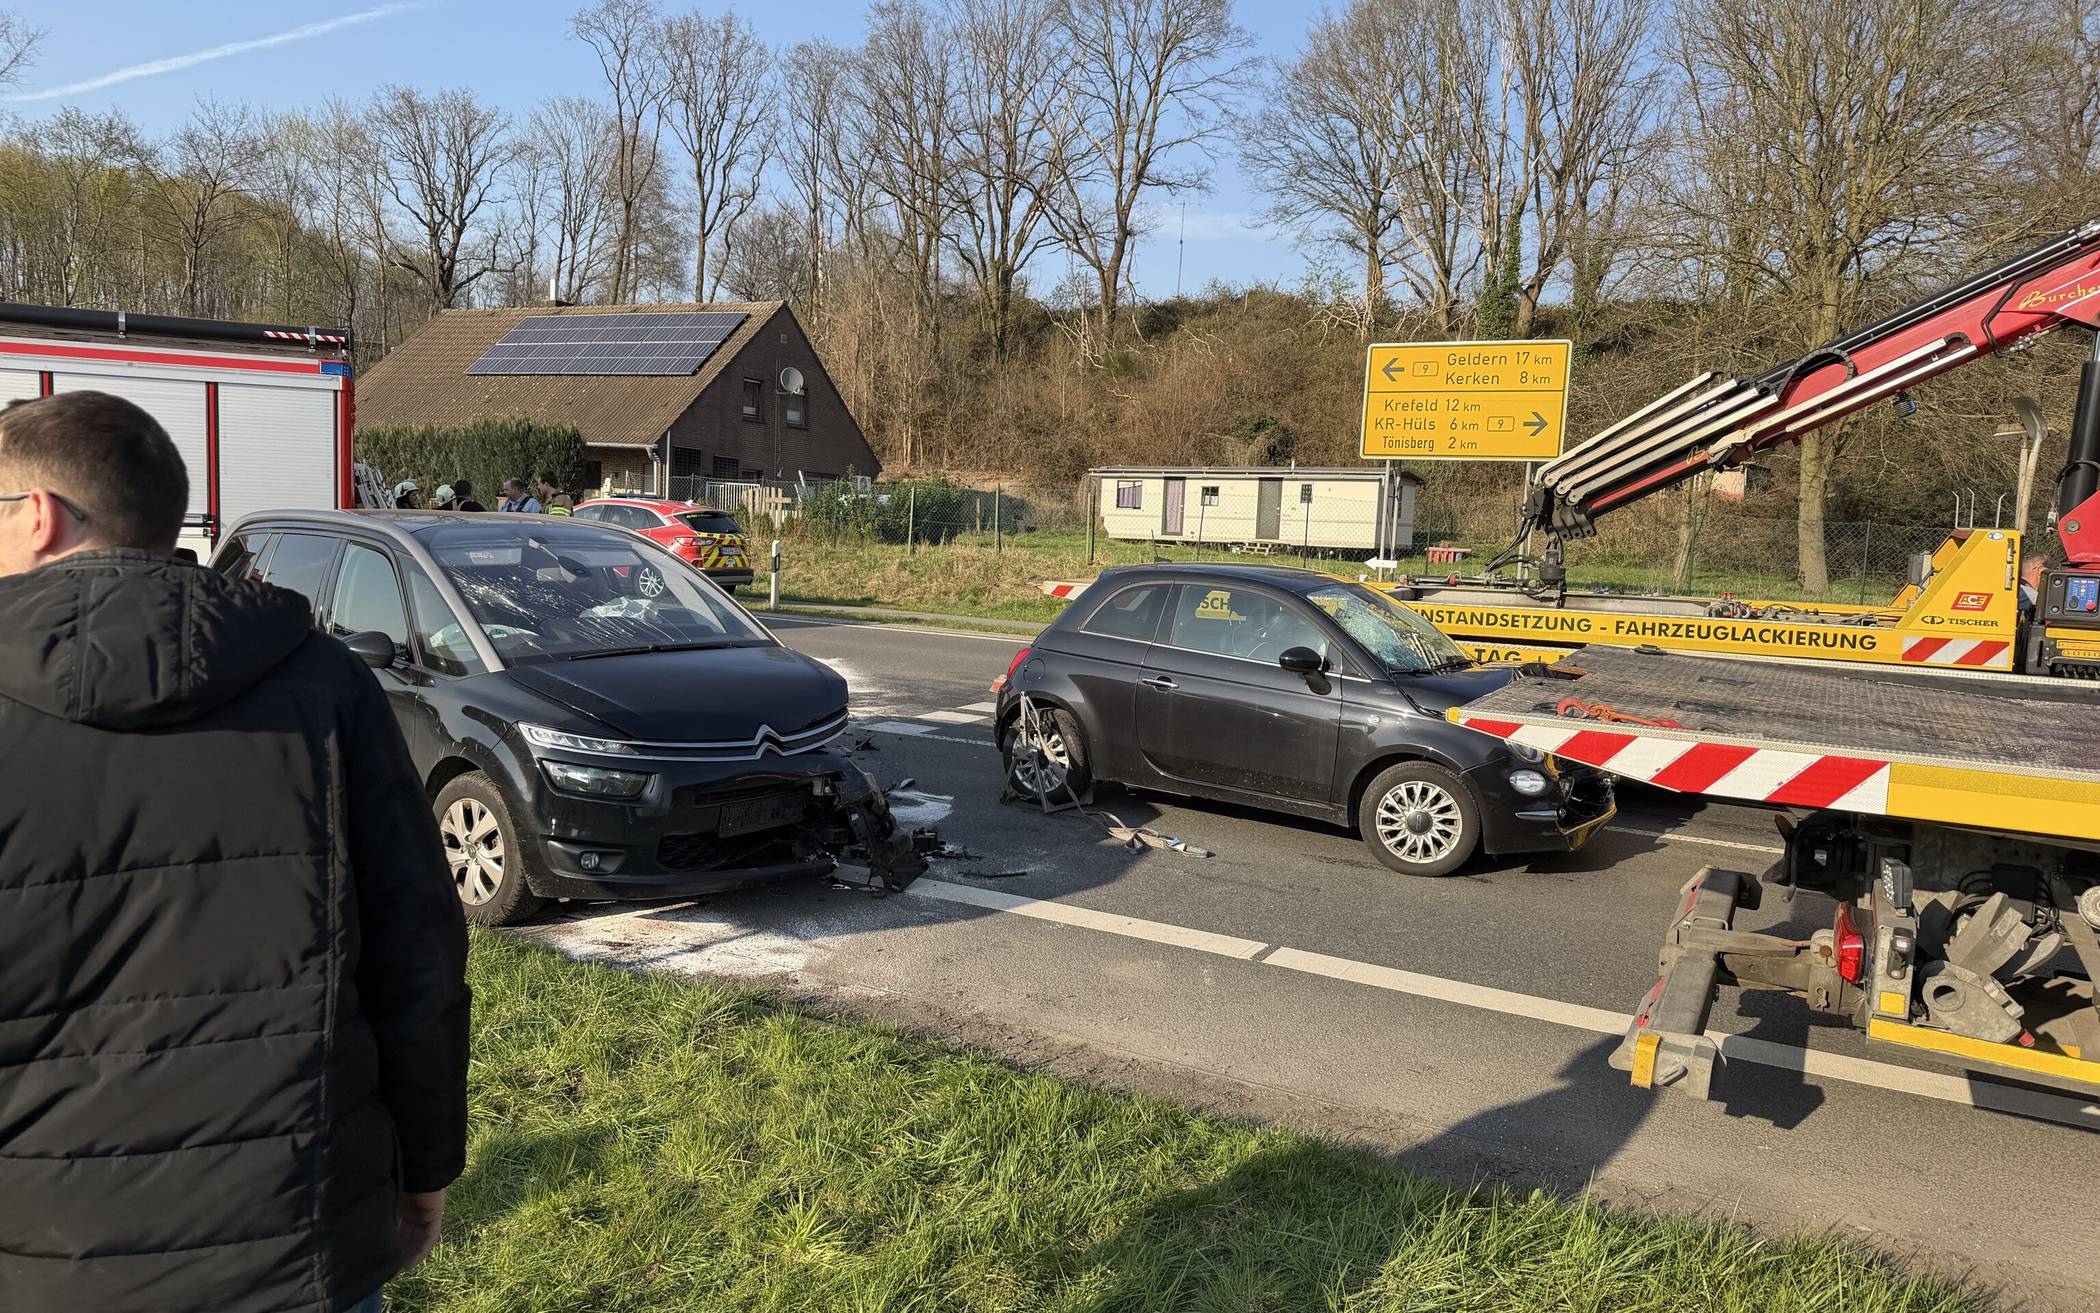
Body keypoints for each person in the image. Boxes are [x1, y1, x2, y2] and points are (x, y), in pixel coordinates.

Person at [0, 391, 470, 1313]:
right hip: (299, 1245)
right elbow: (418, 954)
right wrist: (425, 1168)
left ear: (41, 516)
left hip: (37, 1255)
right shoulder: (327, 683)